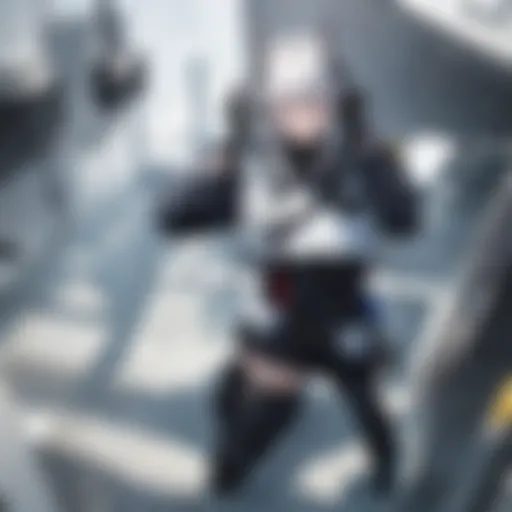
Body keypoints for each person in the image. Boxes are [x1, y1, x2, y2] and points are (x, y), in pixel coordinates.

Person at [158, 32, 418, 498]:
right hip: (282, 306)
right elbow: (174, 217)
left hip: (343, 308)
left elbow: (405, 219)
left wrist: (371, 157)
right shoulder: (251, 162)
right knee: (251, 403)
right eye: (288, 97)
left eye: (313, 93)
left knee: (364, 402)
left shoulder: (363, 158)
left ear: (334, 99)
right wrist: (225, 157)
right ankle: (230, 468)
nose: (301, 108)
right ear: (270, 104)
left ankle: (386, 462)